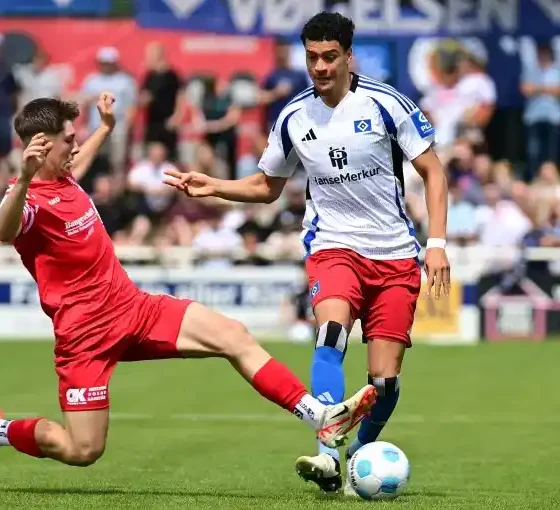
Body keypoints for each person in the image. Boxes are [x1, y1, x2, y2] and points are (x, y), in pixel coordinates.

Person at [0, 94, 376, 467]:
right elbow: (5, 229)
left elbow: (77, 163)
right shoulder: (27, 199)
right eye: (69, 139)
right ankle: (4, 430)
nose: (75, 145)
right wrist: (25, 178)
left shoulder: (65, 175)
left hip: (132, 308)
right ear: (42, 146)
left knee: (233, 335)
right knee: (81, 450)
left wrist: (107, 128)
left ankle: (321, 418)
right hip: (85, 336)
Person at [163, 11, 450, 496]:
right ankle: (326, 456)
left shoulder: (386, 104)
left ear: (348, 55)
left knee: (384, 383)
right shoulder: (294, 116)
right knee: (331, 333)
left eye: (329, 56)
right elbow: (266, 186)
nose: (319, 66)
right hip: (334, 247)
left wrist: (438, 244)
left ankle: (362, 452)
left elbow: (434, 172)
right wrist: (212, 186)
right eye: (312, 56)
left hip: (396, 256)